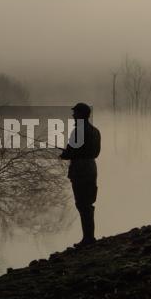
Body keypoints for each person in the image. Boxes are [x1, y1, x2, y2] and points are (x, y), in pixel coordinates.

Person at [60, 103, 101, 247]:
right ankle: (89, 237)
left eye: (75, 113)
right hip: (91, 167)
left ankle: (87, 238)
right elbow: (96, 153)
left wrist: (64, 154)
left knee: (82, 204)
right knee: (88, 203)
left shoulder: (78, 132)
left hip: (80, 169)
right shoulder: (95, 131)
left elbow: (69, 153)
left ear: (81, 115)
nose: (73, 116)